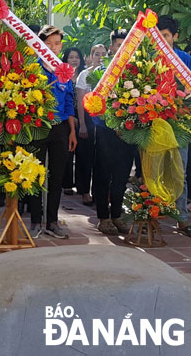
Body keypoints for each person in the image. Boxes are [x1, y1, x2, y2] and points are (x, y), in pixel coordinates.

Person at [27, 25, 77, 239]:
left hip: (61, 128)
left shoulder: (64, 71)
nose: (53, 48)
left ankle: (53, 220)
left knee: (56, 176)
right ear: (40, 46)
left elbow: (69, 103)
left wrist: (72, 132)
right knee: (36, 175)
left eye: (57, 44)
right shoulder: (32, 69)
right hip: (38, 128)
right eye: (48, 44)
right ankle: (35, 221)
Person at [93, 30, 134, 235]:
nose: (122, 48)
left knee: (122, 175)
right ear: (111, 47)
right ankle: (103, 217)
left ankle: (117, 215)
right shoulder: (102, 71)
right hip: (106, 131)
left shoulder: (137, 72)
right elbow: (95, 104)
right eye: (119, 45)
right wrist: (113, 123)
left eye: (126, 44)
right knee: (103, 174)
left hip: (128, 133)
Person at [158, 15, 191, 238]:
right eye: (158, 37)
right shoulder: (150, 58)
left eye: (166, 36)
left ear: (175, 36)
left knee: (179, 168)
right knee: (155, 168)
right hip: (154, 120)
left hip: (180, 121)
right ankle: (153, 212)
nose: (162, 41)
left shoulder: (185, 59)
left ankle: (181, 217)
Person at [74, 44, 107, 206]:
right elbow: (80, 101)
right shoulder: (84, 75)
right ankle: (84, 191)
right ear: (90, 56)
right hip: (87, 117)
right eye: (97, 54)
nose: (100, 57)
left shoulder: (109, 74)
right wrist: (82, 125)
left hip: (104, 120)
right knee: (85, 157)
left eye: (103, 54)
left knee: (101, 159)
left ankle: (99, 192)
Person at [61, 47, 87, 196]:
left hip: (83, 116)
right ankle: (67, 183)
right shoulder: (62, 75)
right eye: (71, 57)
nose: (74, 60)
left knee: (83, 153)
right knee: (68, 152)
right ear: (66, 59)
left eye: (77, 57)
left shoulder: (84, 75)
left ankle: (82, 186)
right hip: (67, 117)